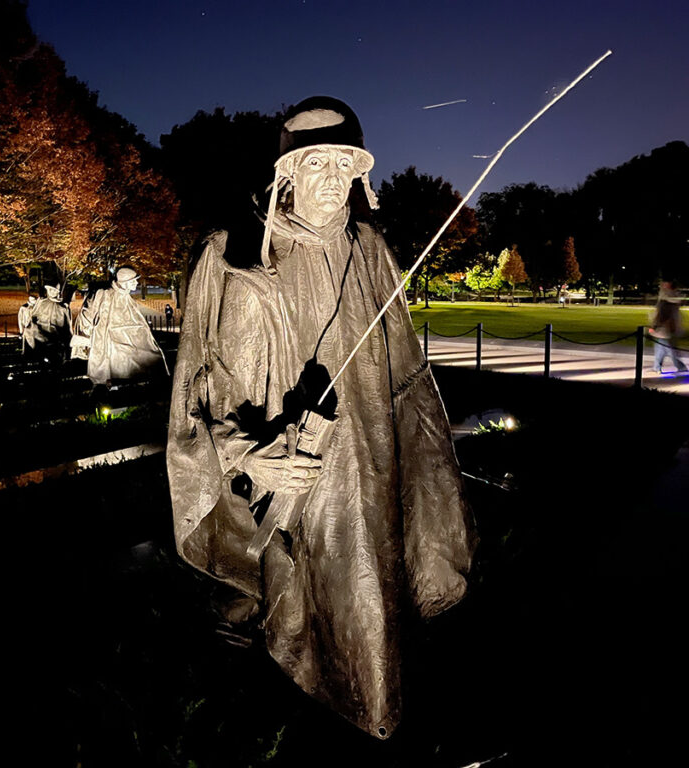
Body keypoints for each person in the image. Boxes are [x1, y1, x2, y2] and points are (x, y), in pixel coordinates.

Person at [167, 96, 476, 740]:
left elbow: (406, 371)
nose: (333, 178)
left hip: (372, 458)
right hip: (290, 478)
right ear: (286, 173)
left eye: (345, 163)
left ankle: (374, 714)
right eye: (317, 162)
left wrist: (427, 462)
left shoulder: (370, 249)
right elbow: (199, 388)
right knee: (303, 597)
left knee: (370, 591)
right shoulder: (233, 256)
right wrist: (248, 454)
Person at [72, 267, 166, 386]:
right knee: (119, 365)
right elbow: (87, 314)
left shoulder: (127, 297)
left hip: (132, 342)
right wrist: (83, 339)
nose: (136, 283)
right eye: (133, 281)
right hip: (110, 343)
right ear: (124, 282)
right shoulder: (104, 295)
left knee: (153, 357)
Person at [649, 281, 688, 373]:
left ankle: (681, 367)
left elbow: (662, 316)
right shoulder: (673, 299)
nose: (662, 286)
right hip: (670, 329)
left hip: (665, 330)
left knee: (669, 351)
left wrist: (654, 327)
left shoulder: (665, 302)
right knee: (660, 349)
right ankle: (656, 367)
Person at [29, 284, 73, 363]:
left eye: (54, 290)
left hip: (56, 341)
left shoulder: (63, 307)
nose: (52, 292)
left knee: (56, 363)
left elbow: (67, 327)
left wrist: (68, 345)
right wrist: (37, 333)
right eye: (50, 290)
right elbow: (33, 318)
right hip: (41, 339)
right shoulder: (41, 302)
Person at [18, 290, 42, 355]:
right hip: (26, 329)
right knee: (27, 345)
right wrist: (21, 330)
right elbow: (20, 319)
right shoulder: (23, 308)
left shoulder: (38, 307)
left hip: (36, 330)